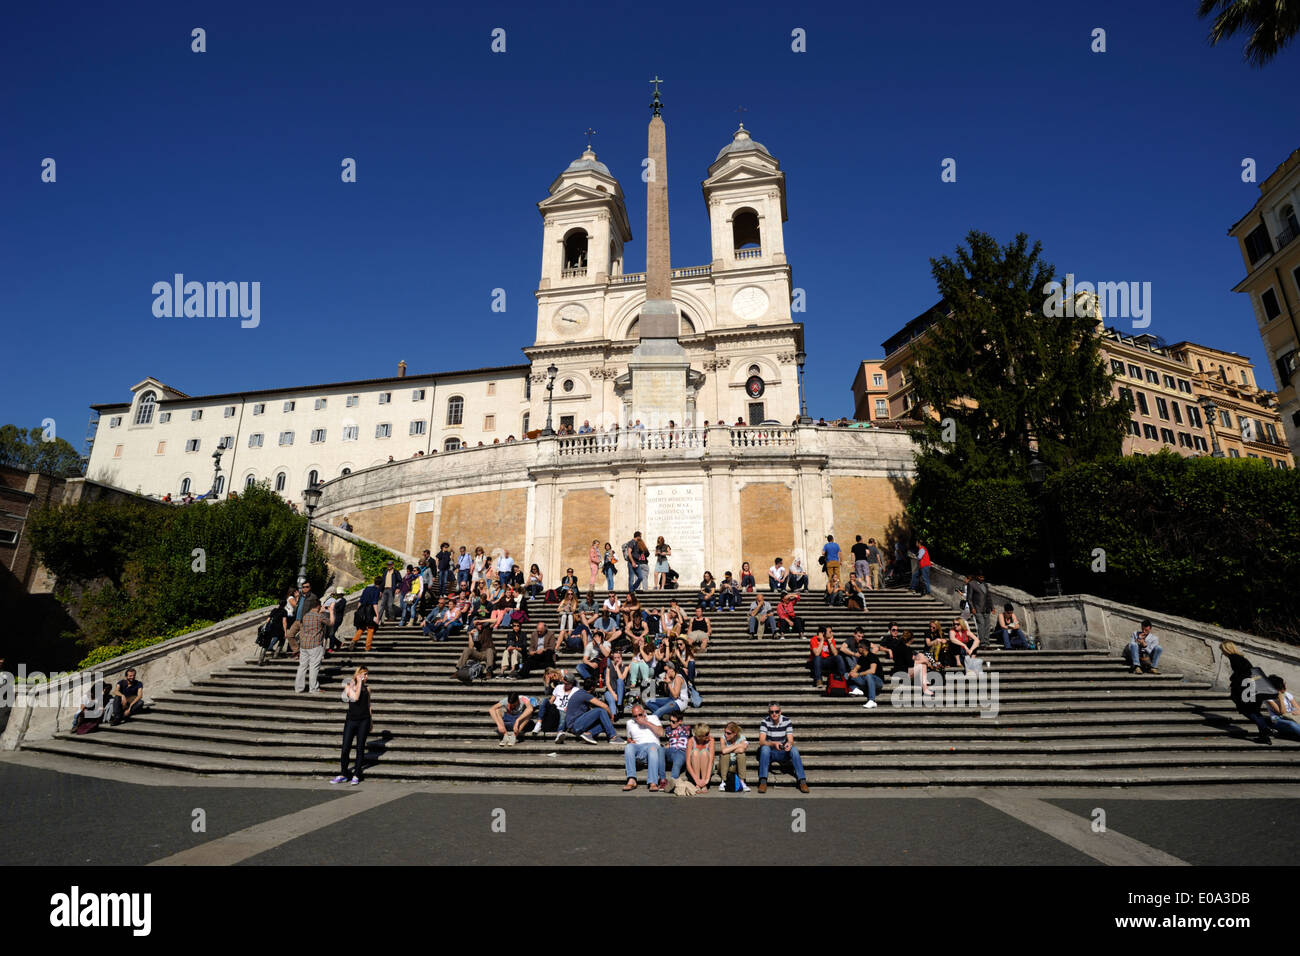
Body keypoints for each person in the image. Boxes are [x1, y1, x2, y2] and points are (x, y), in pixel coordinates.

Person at [1222, 641, 1274, 744]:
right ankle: (1264, 737)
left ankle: (1265, 728)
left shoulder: (1234, 658)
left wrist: (1233, 680)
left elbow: (1241, 674)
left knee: (1247, 710)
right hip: (1251, 687)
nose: (1222, 652)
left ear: (1226, 649)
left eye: (1222, 650)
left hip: (1246, 689)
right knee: (1255, 711)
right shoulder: (1242, 658)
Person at [757, 703, 809, 793]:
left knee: (794, 750)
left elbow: (791, 739)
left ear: (780, 712)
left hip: (783, 750)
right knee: (765, 749)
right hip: (770, 752)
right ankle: (763, 781)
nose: (774, 714)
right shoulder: (765, 722)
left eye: (776, 711)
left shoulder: (787, 721)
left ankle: (802, 781)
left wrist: (789, 743)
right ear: (769, 713)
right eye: (772, 712)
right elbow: (761, 741)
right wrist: (773, 743)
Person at [332, 666, 371, 784]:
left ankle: (357, 774)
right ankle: (344, 773)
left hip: (364, 720)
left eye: (367, 674)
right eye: (363, 674)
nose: (366, 677)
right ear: (357, 674)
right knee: (345, 748)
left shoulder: (368, 688)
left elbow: (369, 705)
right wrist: (358, 683)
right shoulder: (348, 686)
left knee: (360, 748)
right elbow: (356, 697)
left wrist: (371, 721)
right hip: (351, 720)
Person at [563, 678, 621, 744]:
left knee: (605, 721)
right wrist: (612, 716)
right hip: (575, 725)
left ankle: (588, 734)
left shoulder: (580, 693)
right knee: (600, 711)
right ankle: (613, 737)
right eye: (595, 687)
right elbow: (605, 706)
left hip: (575, 726)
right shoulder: (585, 695)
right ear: (592, 688)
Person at [622, 703, 665, 791]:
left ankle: (653, 782)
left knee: (652, 748)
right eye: (635, 716)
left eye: (640, 715)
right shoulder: (630, 723)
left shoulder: (653, 718)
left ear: (644, 712)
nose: (638, 718)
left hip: (652, 745)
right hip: (639, 748)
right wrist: (630, 741)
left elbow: (661, 733)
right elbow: (629, 738)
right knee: (629, 747)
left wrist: (646, 722)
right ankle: (632, 779)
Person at [294, 596, 328, 693]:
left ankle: (298, 688)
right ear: (318, 606)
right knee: (314, 667)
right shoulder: (319, 616)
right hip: (315, 644)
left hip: (304, 644)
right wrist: (330, 611)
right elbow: (331, 623)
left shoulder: (305, 616)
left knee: (302, 666)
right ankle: (313, 688)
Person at [715, 722, 750, 791]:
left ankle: (742, 782)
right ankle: (723, 781)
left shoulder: (742, 738)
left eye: (728, 733)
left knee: (741, 755)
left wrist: (728, 749)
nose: (726, 735)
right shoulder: (723, 738)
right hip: (724, 765)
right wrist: (738, 745)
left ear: (735, 733)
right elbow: (724, 751)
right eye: (725, 732)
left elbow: (741, 750)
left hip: (736, 765)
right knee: (725, 755)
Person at [1265, 676, 1300, 741]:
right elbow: (1282, 712)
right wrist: (1281, 698)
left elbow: (1298, 708)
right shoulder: (1268, 698)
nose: (1286, 685)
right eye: (1284, 684)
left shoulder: (1288, 694)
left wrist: (1296, 711)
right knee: (1291, 724)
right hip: (1276, 720)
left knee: (1292, 723)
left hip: (1292, 717)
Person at [351, 576, 382, 651]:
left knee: (362, 627)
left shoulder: (367, 589)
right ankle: (368, 647)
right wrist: (377, 615)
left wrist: (358, 610)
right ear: (381, 584)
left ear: (374, 581)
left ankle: (354, 640)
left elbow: (360, 601)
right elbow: (374, 603)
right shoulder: (377, 591)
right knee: (370, 629)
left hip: (362, 609)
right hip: (370, 610)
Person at [685, 722, 715, 790]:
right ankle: (698, 784)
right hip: (694, 769)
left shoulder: (711, 740)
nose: (709, 735)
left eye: (708, 732)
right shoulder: (691, 741)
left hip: (707, 768)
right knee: (695, 752)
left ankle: (703, 784)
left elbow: (711, 761)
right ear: (700, 736)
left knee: (704, 752)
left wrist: (707, 779)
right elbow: (688, 763)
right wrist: (697, 780)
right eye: (706, 734)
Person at [968, 570, 993, 647]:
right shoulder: (971, 584)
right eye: (980, 577)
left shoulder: (985, 584)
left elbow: (988, 596)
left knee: (987, 625)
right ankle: (982, 642)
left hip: (987, 608)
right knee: (981, 624)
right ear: (977, 576)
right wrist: (972, 608)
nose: (982, 578)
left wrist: (992, 607)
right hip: (977, 608)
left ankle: (986, 642)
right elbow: (969, 598)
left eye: (983, 577)